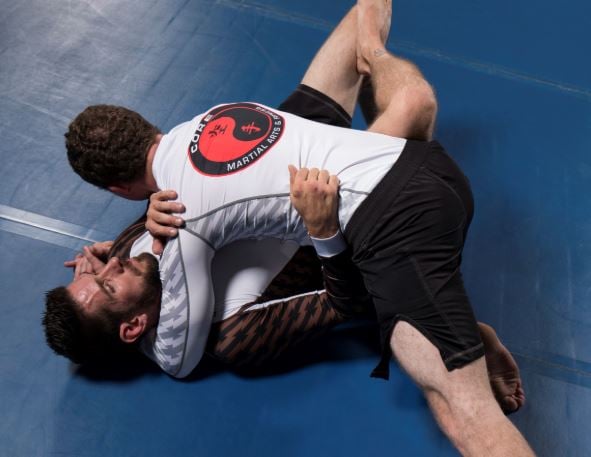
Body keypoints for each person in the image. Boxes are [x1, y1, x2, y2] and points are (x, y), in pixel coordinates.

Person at [48, 0, 534, 454]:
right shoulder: (226, 330)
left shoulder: (144, 237)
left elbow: (152, 247)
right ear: (133, 326)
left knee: (402, 91)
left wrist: (120, 246)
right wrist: (323, 231)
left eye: (92, 270)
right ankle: (456, 326)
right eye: (107, 282)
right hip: (355, 216)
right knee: (411, 102)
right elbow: (183, 357)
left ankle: (374, 56)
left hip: (326, 182)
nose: (111, 262)